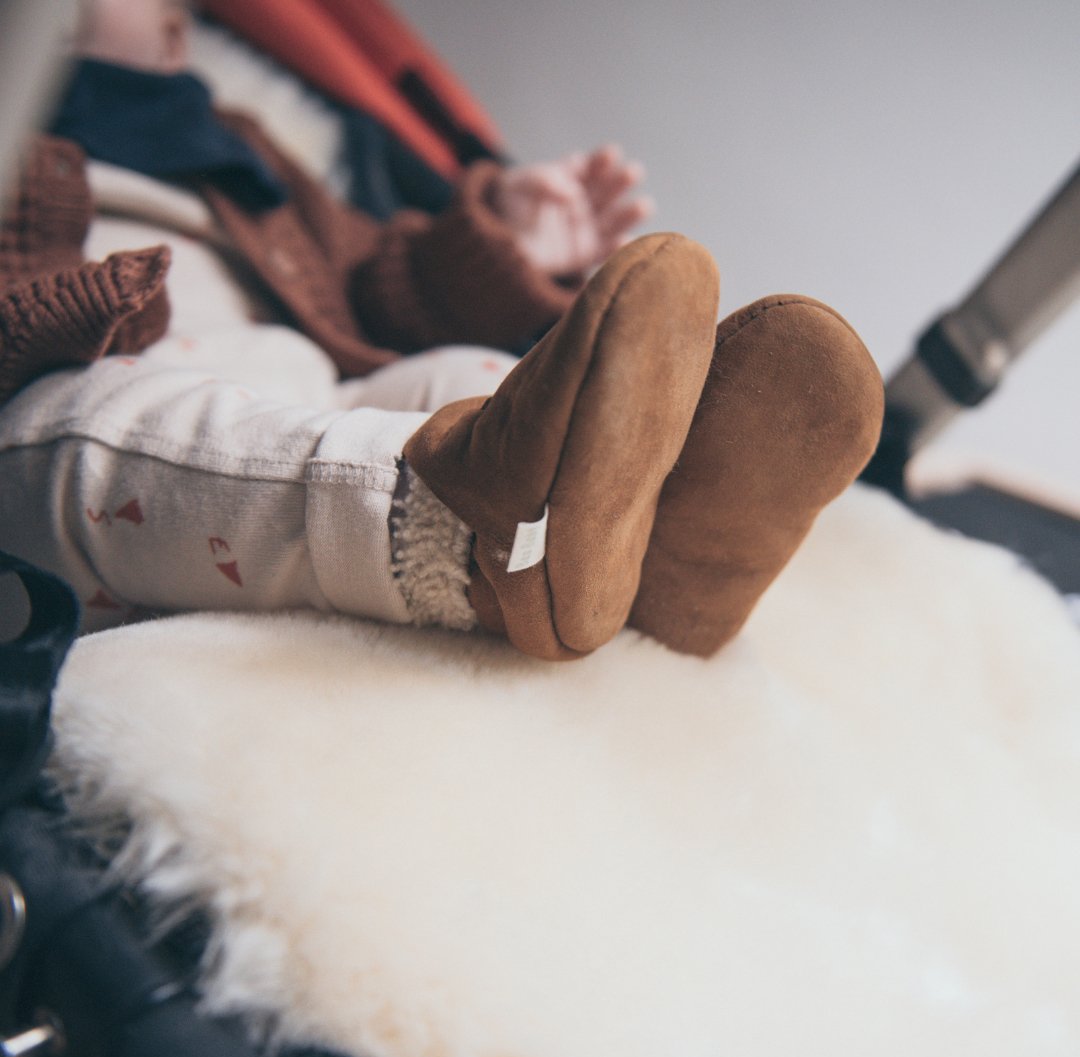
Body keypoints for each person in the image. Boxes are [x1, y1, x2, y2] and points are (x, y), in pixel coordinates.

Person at [0, 0, 884, 661]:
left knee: (465, 380)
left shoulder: (237, 150)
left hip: (312, 380)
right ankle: (460, 536)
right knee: (88, 439)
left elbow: (373, 280)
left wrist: (502, 240)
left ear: (174, 40)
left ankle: (658, 553)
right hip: (86, 388)